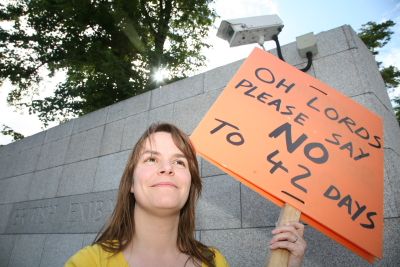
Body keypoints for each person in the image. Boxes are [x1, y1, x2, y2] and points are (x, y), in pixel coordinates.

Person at [65, 123, 306, 267]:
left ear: (190, 184)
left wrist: (287, 264)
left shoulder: (214, 262)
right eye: (151, 159)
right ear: (130, 182)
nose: (167, 168)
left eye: (179, 162)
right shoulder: (88, 262)